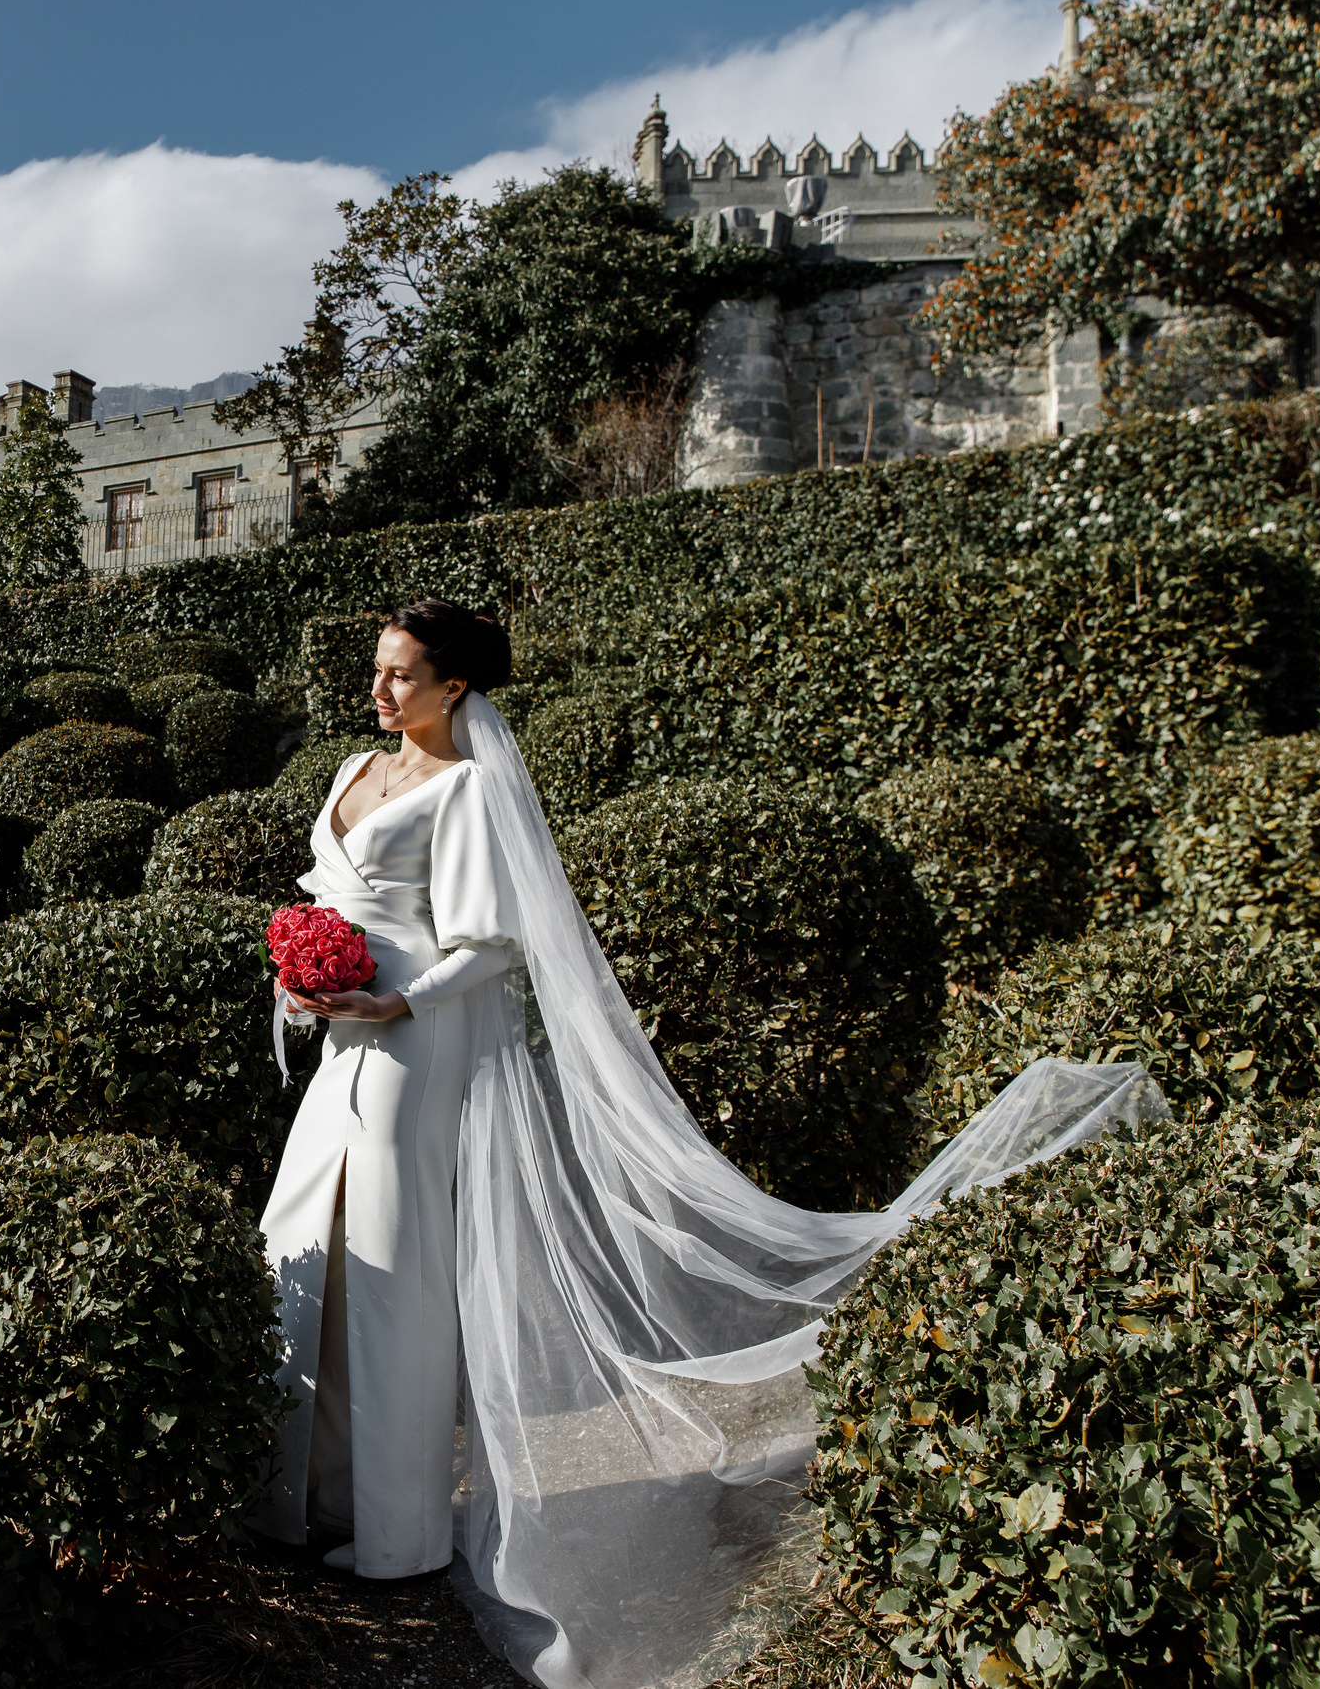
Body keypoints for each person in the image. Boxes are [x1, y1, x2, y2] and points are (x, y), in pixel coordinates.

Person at [251, 599, 1165, 1689]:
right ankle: (299, 1496)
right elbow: (327, 895)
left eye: (402, 675)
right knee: (308, 1237)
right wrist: (302, 977)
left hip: (415, 1047)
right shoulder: (352, 764)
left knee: (395, 1270)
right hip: (343, 1032)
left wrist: (398, 1007)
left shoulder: (473, 786)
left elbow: (492, 947)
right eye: (377, 671)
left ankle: (397, 1533)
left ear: (455, 689)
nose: (380, 691)